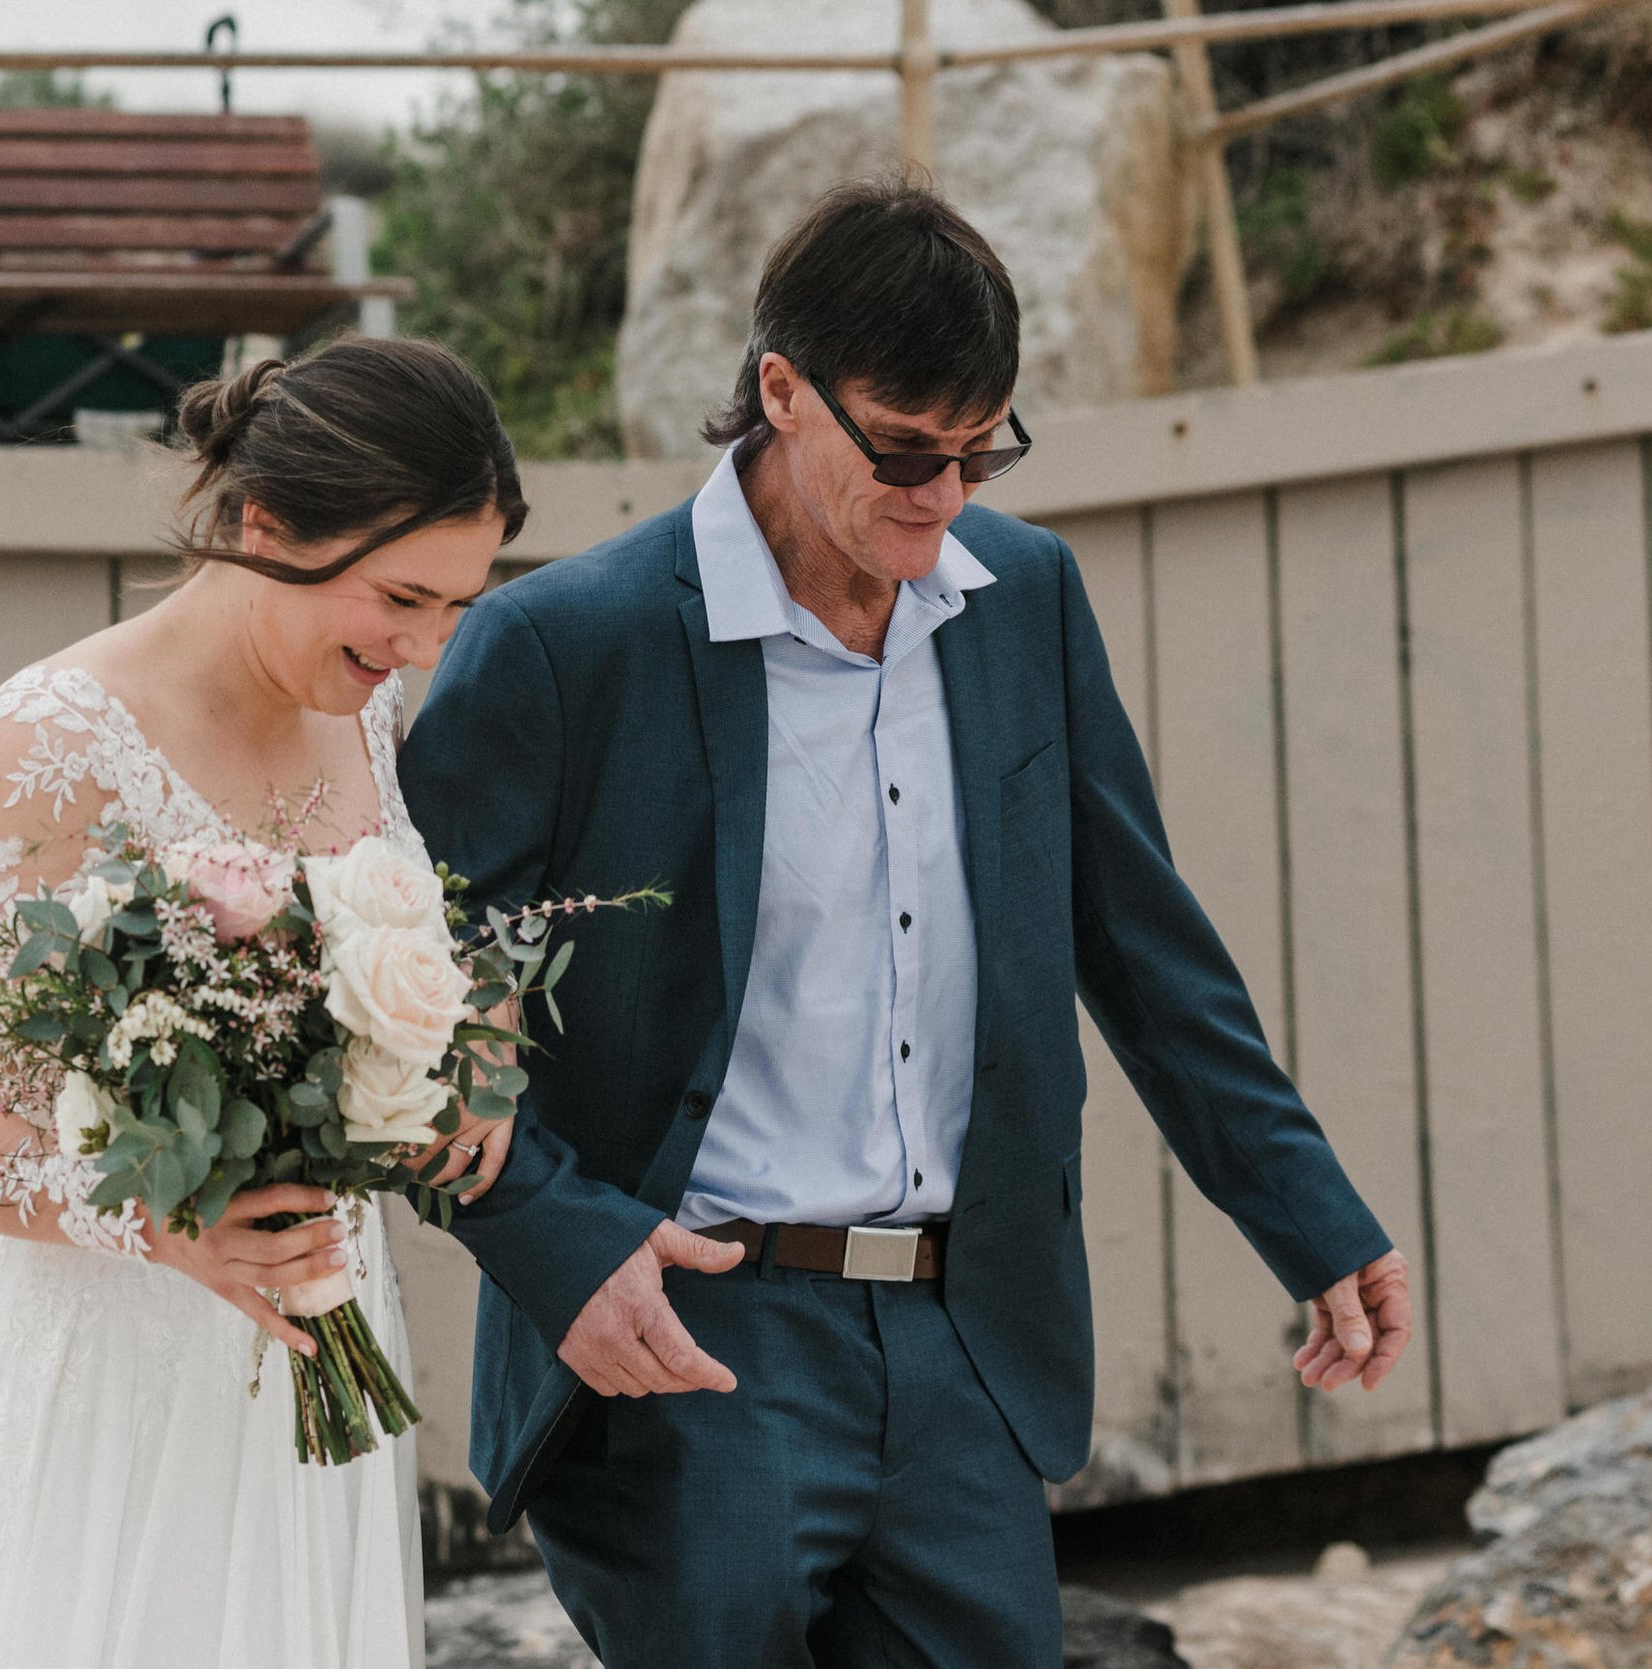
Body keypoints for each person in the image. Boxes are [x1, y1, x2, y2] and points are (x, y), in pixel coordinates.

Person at [399, 176, 1415, 1667]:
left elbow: (1141, 944)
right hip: (693, 1338)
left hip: (964, 1339)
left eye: (979, 450)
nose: (943, 494)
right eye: (904, 448)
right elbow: (404, 1012)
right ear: (780, 390)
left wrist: (1308, 1212)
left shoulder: (1027, 601)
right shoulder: (562, 645)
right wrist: (564, 1251)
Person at [0, 337, 527, 1669]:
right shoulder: (56, 737)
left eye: (457, 610)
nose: (424, 646)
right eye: (403, 597)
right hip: (120, 1370)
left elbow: (392, 950)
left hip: (316, 1347)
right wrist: (159, 1216)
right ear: (265, 525)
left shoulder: (359, 709)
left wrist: (462, 1048)